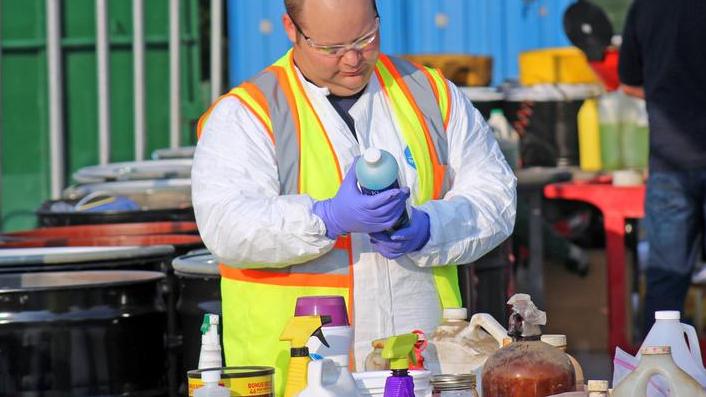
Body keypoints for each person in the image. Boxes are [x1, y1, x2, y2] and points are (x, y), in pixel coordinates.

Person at [191, 0, 516, 391]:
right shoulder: (248, 114)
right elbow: (226, 226)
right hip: (296, 380)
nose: (352, 60)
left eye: (366, 38)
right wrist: (326, 218)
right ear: (292, 30)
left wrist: (429, 228)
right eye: (331, 48)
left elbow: (495, 197)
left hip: (423, 370)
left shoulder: (431, 94)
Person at [618, 0, 706, 333]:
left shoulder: (645, 7)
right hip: (671, 162)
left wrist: (667, 93)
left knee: (666, 285)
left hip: (669, 161)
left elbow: (628, 82)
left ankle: (658, 379)